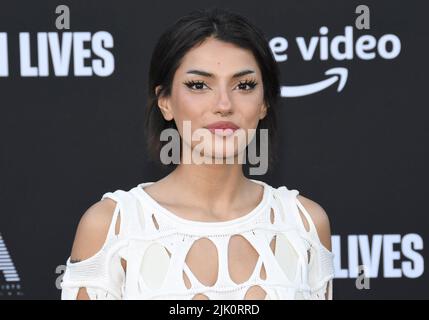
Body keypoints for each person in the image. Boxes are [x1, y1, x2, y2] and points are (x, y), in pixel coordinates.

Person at [60, 7, 334, 300]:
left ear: (264, 102)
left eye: (244, 85)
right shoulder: (111, 227)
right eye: (199, 85)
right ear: (165, 101)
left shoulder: (306, 223)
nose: (224, 104)